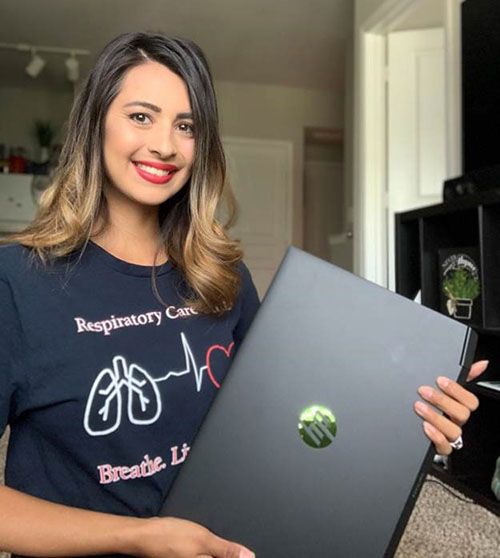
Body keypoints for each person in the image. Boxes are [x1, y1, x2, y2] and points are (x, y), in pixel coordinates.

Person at [0, 31, 488, 558]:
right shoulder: (18, 281)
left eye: (186, 126)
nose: (165, 145)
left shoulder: (222, 275)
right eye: (141, 116)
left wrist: (415, 418)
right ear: (94, 126)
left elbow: (289, 418)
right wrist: (137, 536)